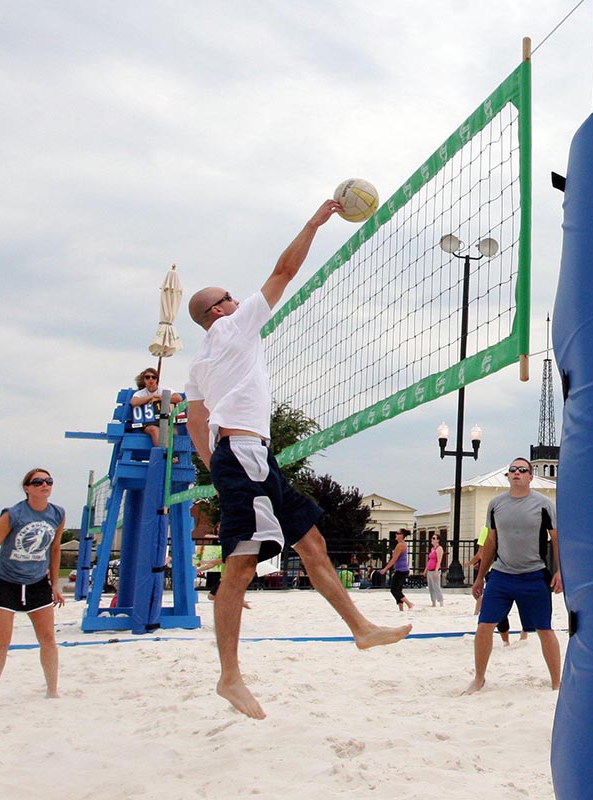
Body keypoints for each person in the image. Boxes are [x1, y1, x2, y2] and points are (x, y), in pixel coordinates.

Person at [184, 198, 410, 719]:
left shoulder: (199, 362)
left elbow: (196, 422)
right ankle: (230, 676)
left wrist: (216, 469)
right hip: (243, 457)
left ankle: (361, 628)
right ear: (216, 311)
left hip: (244, 458)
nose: (237, 300)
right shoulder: (233, 329)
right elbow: (285, 271)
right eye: (228, 298)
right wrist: (316, 221)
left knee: (311, 539)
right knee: (241, 565)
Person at [464, 457, 562, 695]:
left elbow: (557, 540)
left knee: (545, 629)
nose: (516, 472)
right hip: (501, 575)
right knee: (484, 626)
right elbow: (490, 541)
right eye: (512, 470)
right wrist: (479, 577)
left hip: (534, 574)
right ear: (508, 476)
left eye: (522, 470)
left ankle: (557, 683)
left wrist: (560, 571)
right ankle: (479, 678)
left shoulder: (544, 504)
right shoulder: (496, 504)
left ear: (530, 476)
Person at [0, 469, 66, 701]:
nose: (44, 485)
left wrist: (55, 584)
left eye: (48, 481)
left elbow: (55, 549)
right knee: (2, 642)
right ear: (27, 488)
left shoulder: (57, 513)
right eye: (38, 482)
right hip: (6, 582)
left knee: (47, 638)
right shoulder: (13, 514)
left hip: (37, 583)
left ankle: (52, 691)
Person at [130, 368, 184, 447]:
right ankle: (161, 453)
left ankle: (168, 455)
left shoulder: (164, 389)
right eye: (147, 377)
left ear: (157, 379)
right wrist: (151, 397)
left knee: (168, 430)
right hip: (148, 424)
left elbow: (178, 398)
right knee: (154, 429)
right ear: (144, 380)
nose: (151, 379)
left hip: (166, 422)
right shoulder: (140, 393)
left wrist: (160, 398)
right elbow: (134, 402)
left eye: (153, 377)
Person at [378, 529, 414, 610]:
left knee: (394, 590)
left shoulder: (400, 545)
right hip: (401, 570)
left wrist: (385, 569)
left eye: (398, 533)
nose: (396, 535)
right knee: (398, 590)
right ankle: (401, 608)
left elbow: (394, 559)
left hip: (402, 571)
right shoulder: (401, 544)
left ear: (402, 535)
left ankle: (409, 604)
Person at [425, 533, 445, 607]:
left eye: (434, 538)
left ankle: (440, 601)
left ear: (438, 540)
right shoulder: (432, 549)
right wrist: (426, 569)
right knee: (430, 587)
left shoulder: (439, 548)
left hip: (435, 570)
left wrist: (436, 571)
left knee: (436, 586)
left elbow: (439, 560)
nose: (432, 540)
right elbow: (429, 560)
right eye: (432, 538)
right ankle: (433, 602)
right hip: (430, 570)